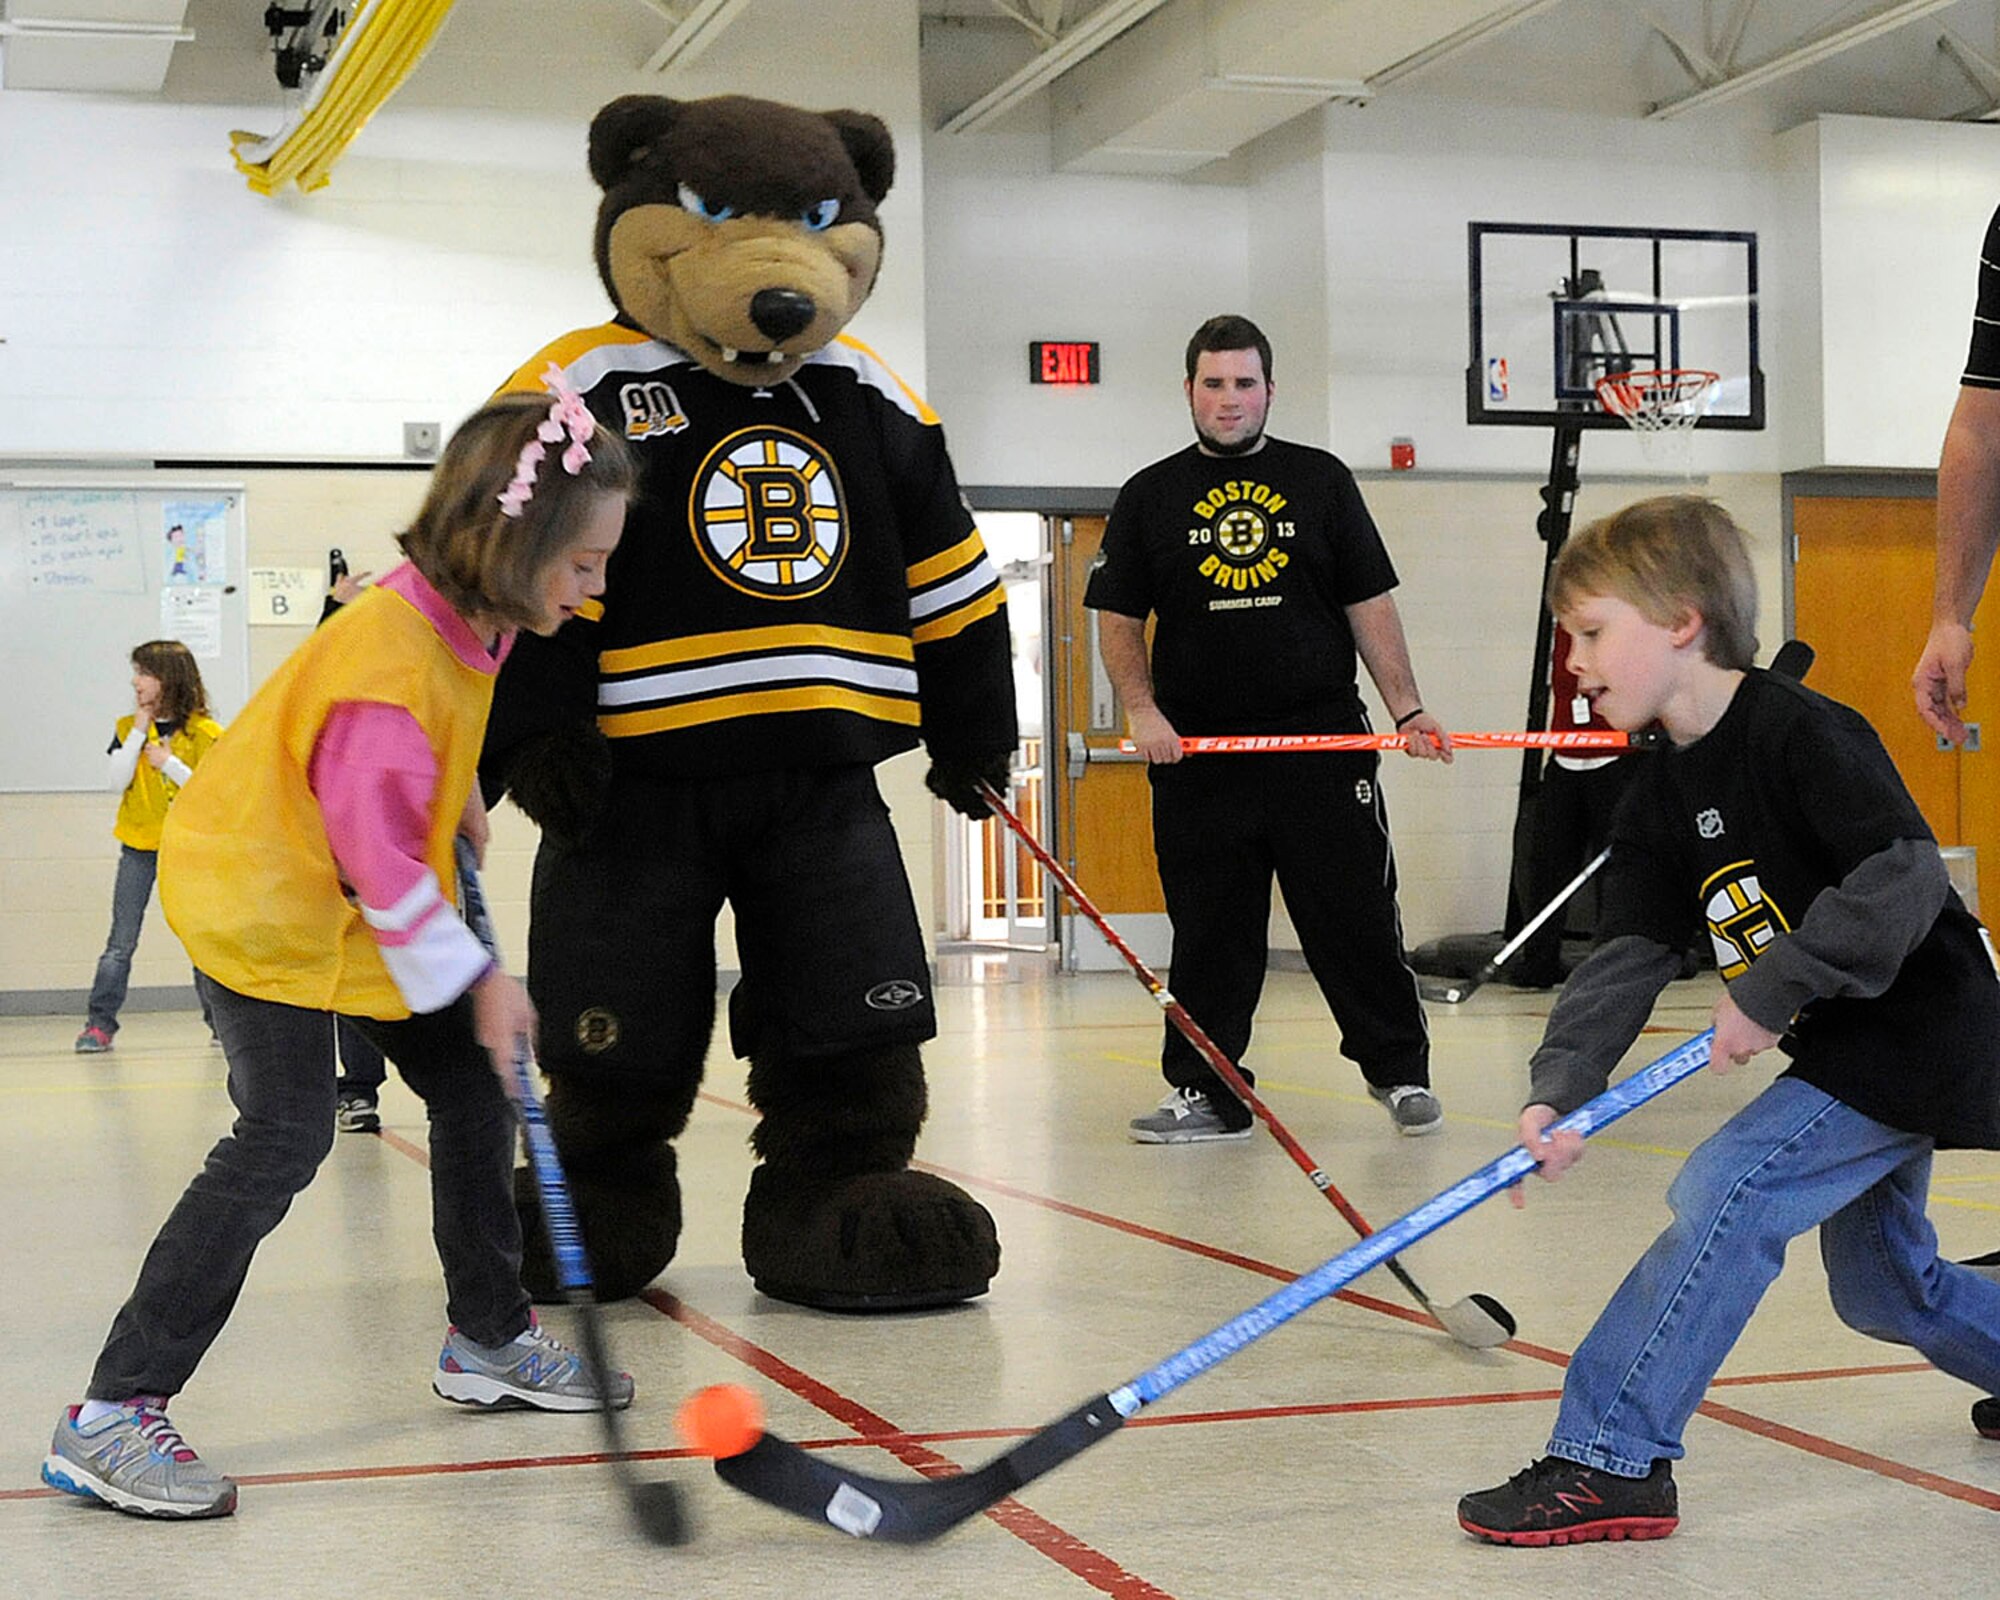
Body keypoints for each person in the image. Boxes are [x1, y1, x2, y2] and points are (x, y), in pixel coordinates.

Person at [41, 383, 638, 1521]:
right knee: (285, 1130)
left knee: (469, 1088)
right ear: (509, 545)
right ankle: (112, 1412)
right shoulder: (387, 668)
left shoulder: (469, 613)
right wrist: (482, 978)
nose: (594, 588)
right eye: (581, 564)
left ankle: (488, 1337)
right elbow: (378, 854)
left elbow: (417, 742)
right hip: (264, 896)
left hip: (339, 889)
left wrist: (455, 788)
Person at [1460, 495, 2000, 1546]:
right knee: (1882, 1288)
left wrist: (1771, 985)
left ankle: (1609, 1456)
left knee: (1726, 1187)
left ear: (1679, 619)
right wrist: (1556, 1089)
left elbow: (1898, 878)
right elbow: (1627, 954)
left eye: (1588, 631)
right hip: (1849, 1043)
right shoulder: (1658, 786)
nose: (1569, 661)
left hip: (1917, 1032)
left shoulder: (1799, 730)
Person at [1085, 314, 1452, 1143]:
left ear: (1269, 392)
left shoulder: (1321, 482)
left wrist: (1408, 707)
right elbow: (1114, 617)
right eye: (1213, 383)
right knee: (1212, 935)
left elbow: (1370, 604)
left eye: (1244, 383)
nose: (1229, 399)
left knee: (1354, 918)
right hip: (1200, 757)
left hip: (1320, 746)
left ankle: (1399, 1074)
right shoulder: (1150, 494)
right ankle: (1208, 1094)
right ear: (1189, 391)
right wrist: (1144, 711)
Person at [75, 641, 225, 1054]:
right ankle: (99, 1024)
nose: (135, 681)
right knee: (121, 942)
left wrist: (169, 764)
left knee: (200, 939)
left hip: (189, 849)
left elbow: (213, 791)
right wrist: (140, 730)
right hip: (139, 845)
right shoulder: (127, 727)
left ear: (168, 678)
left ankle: (220, 1023)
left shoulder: (204, 731)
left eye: (143, 672)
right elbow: (116, 781)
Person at [1501, 623, 1636, 989]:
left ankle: (1615, 963)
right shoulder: (1565, 627)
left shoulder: (1619, 622)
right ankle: (1540, 960)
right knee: (1547, 866)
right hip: (1565, 759)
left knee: (1614, 872)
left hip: (1614, 759)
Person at [320, 565, 392, 1135]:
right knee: (355, 983)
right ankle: (359, 1090)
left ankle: (477, 1089)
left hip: (411, 854)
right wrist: (335, 608)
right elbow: (319, 667)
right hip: (345, 858)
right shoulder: (337, 698)